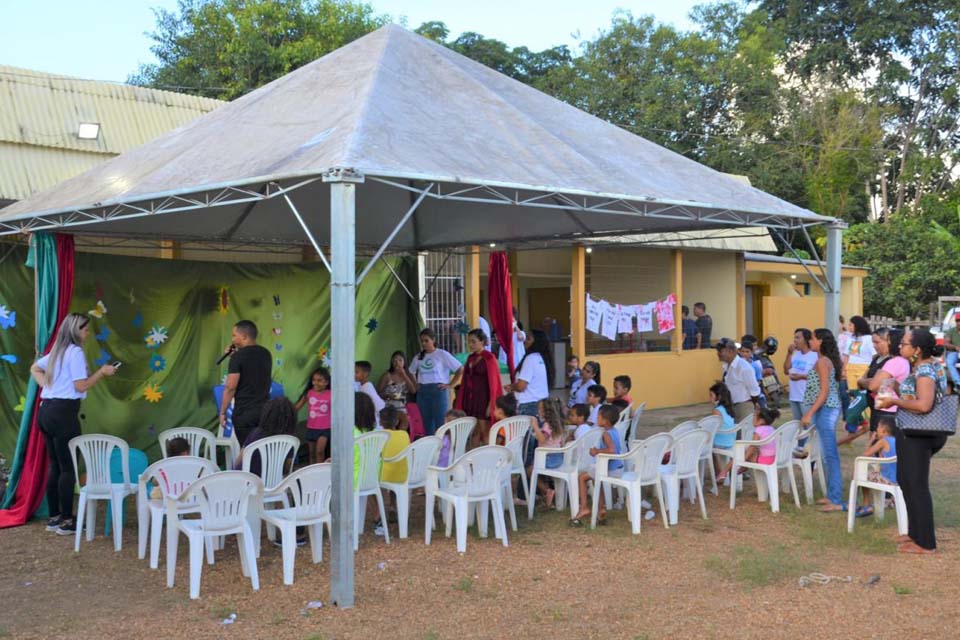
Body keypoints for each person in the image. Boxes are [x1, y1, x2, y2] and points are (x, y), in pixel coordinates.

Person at [30, 313, 117, 536]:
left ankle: (54, 517)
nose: (87, 334)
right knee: (68, 468)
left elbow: (35, 369)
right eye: (86, 329)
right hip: (63, 413)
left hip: (46, 410)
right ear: (76, 330)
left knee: (55, 466)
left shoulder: (58, 351)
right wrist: (102, 372)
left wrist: (46, 386)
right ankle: (67, 521)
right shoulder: (75, 352)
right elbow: (80, 386)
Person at [874, 328, 949, 554]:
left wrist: (893, 401)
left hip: (921, 433)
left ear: (917, 350)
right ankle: (915, 533)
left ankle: (925, 543)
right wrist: (897, 389)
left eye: (905, 344)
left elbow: (924, 405)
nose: (900, 346)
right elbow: (914, 396)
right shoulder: (921, 366)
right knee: (905, 479)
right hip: (913, 430)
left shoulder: (926, 369)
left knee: (916, 484)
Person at [839, 328, 909, 445]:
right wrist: (866, 381)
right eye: (873, 342)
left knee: (880, 447)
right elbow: (862, 382)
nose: (874, 346)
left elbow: (872, 385)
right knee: (876, 444)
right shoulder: (876, 358)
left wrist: (866, 381)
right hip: (877, 406)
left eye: (877, 342)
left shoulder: (893, 362)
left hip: (887, 409)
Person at [800, 329, 845, 512]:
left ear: (819, 341)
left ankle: (835, 499)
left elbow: (824, 392)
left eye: (811, 338)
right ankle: (832, 496)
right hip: (827, 409)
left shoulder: (822, 362)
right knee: (827, 455)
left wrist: (809, 413)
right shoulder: (825, 361)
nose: (809, 341)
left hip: (826, 410)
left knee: (830, 455)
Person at [220, 320, 272, 445]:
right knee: (262, 451)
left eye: (234, 335)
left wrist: (222, 412)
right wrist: (234, 356)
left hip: (244, 414)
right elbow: (252, 369)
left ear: (244, 336)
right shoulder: (266, 353)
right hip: (265, 412)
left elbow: (230, 387)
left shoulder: (238, 357)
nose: (232, 339)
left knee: (248, 452)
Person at [571, 404, 624, 526]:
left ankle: (584, 507)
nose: (596, 419)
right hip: (618, 468)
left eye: (598, 417)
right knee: (595, 479)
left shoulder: (606, 433)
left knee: (582, 478)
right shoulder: (614, 430)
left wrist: (596, 451)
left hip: (610, 469)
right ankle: (601, 509)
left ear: (605, 421)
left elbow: (612, 450)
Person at [409, 328, 463, 436]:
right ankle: (431, 447)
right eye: (422, 341)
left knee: (440, 421)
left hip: (438, 389)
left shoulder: (442, 354)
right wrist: (416, 384)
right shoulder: (418, 357)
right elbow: (411, 371)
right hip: (423, 391)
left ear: (433, 340)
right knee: (426, 422)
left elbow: (460, 369)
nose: (424, 343)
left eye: (426, 340)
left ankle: (442, 447)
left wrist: (450, 385)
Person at [454, 329, 503, 447]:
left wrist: (490, 405)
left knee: (485, 432)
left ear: (482, 342)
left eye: (473, 342)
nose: (470, 345)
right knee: (474, 432)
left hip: (484, 401)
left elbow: (494, 383)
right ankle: (473, 461)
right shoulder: (470, 358)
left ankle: (488, 460)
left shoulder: (489, 358)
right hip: (471, 401)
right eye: (469, 342)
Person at [236, 396, 297, 477]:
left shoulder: (256, 433)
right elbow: (288, 468)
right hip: (273, 484)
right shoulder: (289, 440)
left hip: (247, 481)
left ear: (267, 414)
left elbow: (240, 460)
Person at [717, 405, 780, 482]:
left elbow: (752, 447)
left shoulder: (758, 430)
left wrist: (743, 460)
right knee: (748, 452)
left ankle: (724, 471)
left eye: (754, 416)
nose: (752, 419)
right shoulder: (771, 428)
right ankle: (735, 469)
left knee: (739, 454)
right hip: (774, 458)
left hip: (765, 460)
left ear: (761, 420)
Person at [850, 415, 897, 518]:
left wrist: (871, 440)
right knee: (869, 473)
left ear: (884, 430)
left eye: (878, 427)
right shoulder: (896, 441)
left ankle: (861, 503)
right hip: (897, 479)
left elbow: (865, 455)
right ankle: (866, 504)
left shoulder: (883, 441)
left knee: (860, 474)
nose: (876, 429)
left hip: (886, 479)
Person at [374, 406, 410, 536]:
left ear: (380, 422)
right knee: (394, 484)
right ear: (396, 421)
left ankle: (379, 515)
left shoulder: (380, 436)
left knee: (379, 486)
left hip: (384, 475)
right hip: (402, 474)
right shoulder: (404, 434)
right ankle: (393, 506)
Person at [529, 397, 567, 509]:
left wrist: (535, 426)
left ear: (546, 411)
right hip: (558, 457)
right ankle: (549, 494)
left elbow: (542, 439)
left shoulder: (546, 425)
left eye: (540, 409)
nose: (538, 411)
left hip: (548, 457)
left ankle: (547, 491)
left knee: (530, 469)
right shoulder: (558, 423)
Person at [715, 338, 762, 421]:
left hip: (743, 407)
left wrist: (751, 405)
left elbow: (755, 391)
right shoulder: (726, 366)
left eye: (720, 351)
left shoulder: (744, 367)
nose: (718, 354)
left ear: (730, 351)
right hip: (731, 406)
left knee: (743, 433)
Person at [295, 367, 331, 465]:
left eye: (319, 380)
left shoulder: (331, 394)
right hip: (311, 427)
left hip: (325, 428)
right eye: (314, 380)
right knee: (311, 453)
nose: (315, 383)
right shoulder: (309, 393)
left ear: (326, 382)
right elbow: (297, 407)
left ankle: (320, 472)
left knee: (319, 452)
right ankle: (312, 472)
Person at [377, 351, 417, 432]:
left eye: (400, 360)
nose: (397, 363)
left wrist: (404, 375)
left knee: (405, 419)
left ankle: (400, 438)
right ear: (391, 362)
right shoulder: (387, 376)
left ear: (404, 362)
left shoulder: (407, 375)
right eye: (394, 361)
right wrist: (388, 396)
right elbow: (378, 393)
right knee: (398, 418)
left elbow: (413, 391)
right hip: (388, 406)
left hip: (402, 407)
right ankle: (394, 437)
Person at [784, 328, 818, 421]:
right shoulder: (795, 354)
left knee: (808, 424)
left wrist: (801, 377)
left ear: (806, 340)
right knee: (797, 424)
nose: (795, 340)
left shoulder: (814, 355)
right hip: (794, 395)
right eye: (794, 338)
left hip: (807, 397)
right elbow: (786, 370)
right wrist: (789, 354)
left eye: (798, 338)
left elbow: (818, 376)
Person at [709, 382, 736, 472]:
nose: (709, 398)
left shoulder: (717, 411)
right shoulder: (729, 408)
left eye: (711, 395)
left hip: (721, 443)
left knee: (706, 448)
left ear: (719, 397)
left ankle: (719, 472)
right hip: (731, 441)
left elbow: (713, 429)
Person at [843, 316, 876, 390]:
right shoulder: (850, 338)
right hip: (850, 368)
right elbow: (847, 356)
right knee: (852, 392)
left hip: (864, 368)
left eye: (850, 325)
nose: (849, 327)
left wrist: (871, 370)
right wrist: (844, 370)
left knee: (863, 391)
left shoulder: (869, 338)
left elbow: (874, 355)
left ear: (857, 325)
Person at [355, 361, 385, 428]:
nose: (353, 374)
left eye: (356, 372)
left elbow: (379, 406)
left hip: (374, 423)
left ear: (365, 374)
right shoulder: (361, 385)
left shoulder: (367, 388)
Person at [942, 313, 960, 391]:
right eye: (957, 321)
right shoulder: (951, 331)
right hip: (954, 352)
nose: (959, 322)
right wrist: (955, 347)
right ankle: (958, 383)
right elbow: (946, 343)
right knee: (949, 362)